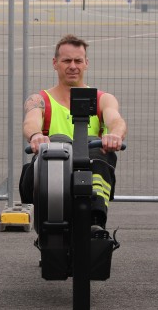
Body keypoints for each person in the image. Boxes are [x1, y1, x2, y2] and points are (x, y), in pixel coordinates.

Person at [21, 34, 127, 235]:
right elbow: (31, 120)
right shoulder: (39, 99)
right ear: (55, 63)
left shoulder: (103, 99)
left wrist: (115, 135)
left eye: (78, 60)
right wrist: (36, 135)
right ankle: (49, 227)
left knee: (96, 150)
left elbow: (116, 120)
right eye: (66, 60)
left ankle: (95, 221)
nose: (73, 66)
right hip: (51, 171)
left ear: (86, 63)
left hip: (88, 167)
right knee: (58, 143)